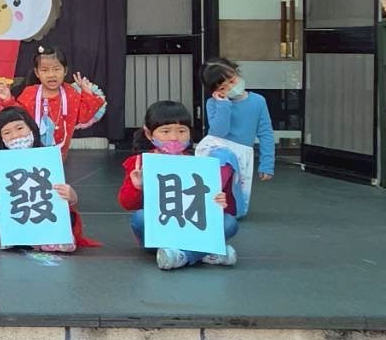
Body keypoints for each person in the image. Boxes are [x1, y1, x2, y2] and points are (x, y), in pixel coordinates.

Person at [118, 100, 239, 271]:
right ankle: (206, 252)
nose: (174, 137)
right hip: (160, 231)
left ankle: (182, 256)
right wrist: (137, 187)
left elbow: (214, 207)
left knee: (229, 222)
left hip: (193, 228)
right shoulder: (139, 163)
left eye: (182, 131)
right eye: (165, 131)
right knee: (140, 218)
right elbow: (127, 204)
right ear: (149, 133)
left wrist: (218, 201)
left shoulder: (198, 162)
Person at [0, 106, 99, 252]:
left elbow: (57, 195)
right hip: (16, 213)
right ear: (1, 138)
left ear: (31, 128)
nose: (15, 136)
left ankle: (25, 239)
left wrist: (72, 196)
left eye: (20, 128)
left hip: (41, 211)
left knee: (69, 216)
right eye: (7, 132)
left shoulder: (47, 156)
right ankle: (26, 238)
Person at [0, 44, 106, 154]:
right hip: (30, 151)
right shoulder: (30, 93)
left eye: (56, 69)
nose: (51, 75)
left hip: (59, 153)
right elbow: (18, 117)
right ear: (37, 73)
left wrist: (86, 92)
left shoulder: (70, 93)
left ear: (65, 71)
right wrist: (8, 99)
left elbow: (84, 116)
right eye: (44, 70)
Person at [203, 58, 276, 194]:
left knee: (239, 195)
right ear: (215, 91)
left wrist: (267, 164)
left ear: (237, 73)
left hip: (243, 154)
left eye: (232, 81)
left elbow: (265, 133)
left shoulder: (258, 101)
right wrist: (223, 104)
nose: (230, 88)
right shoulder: (213, 103)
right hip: (218, 152)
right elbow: (219, 132)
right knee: (215, 191)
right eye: (222, 88)